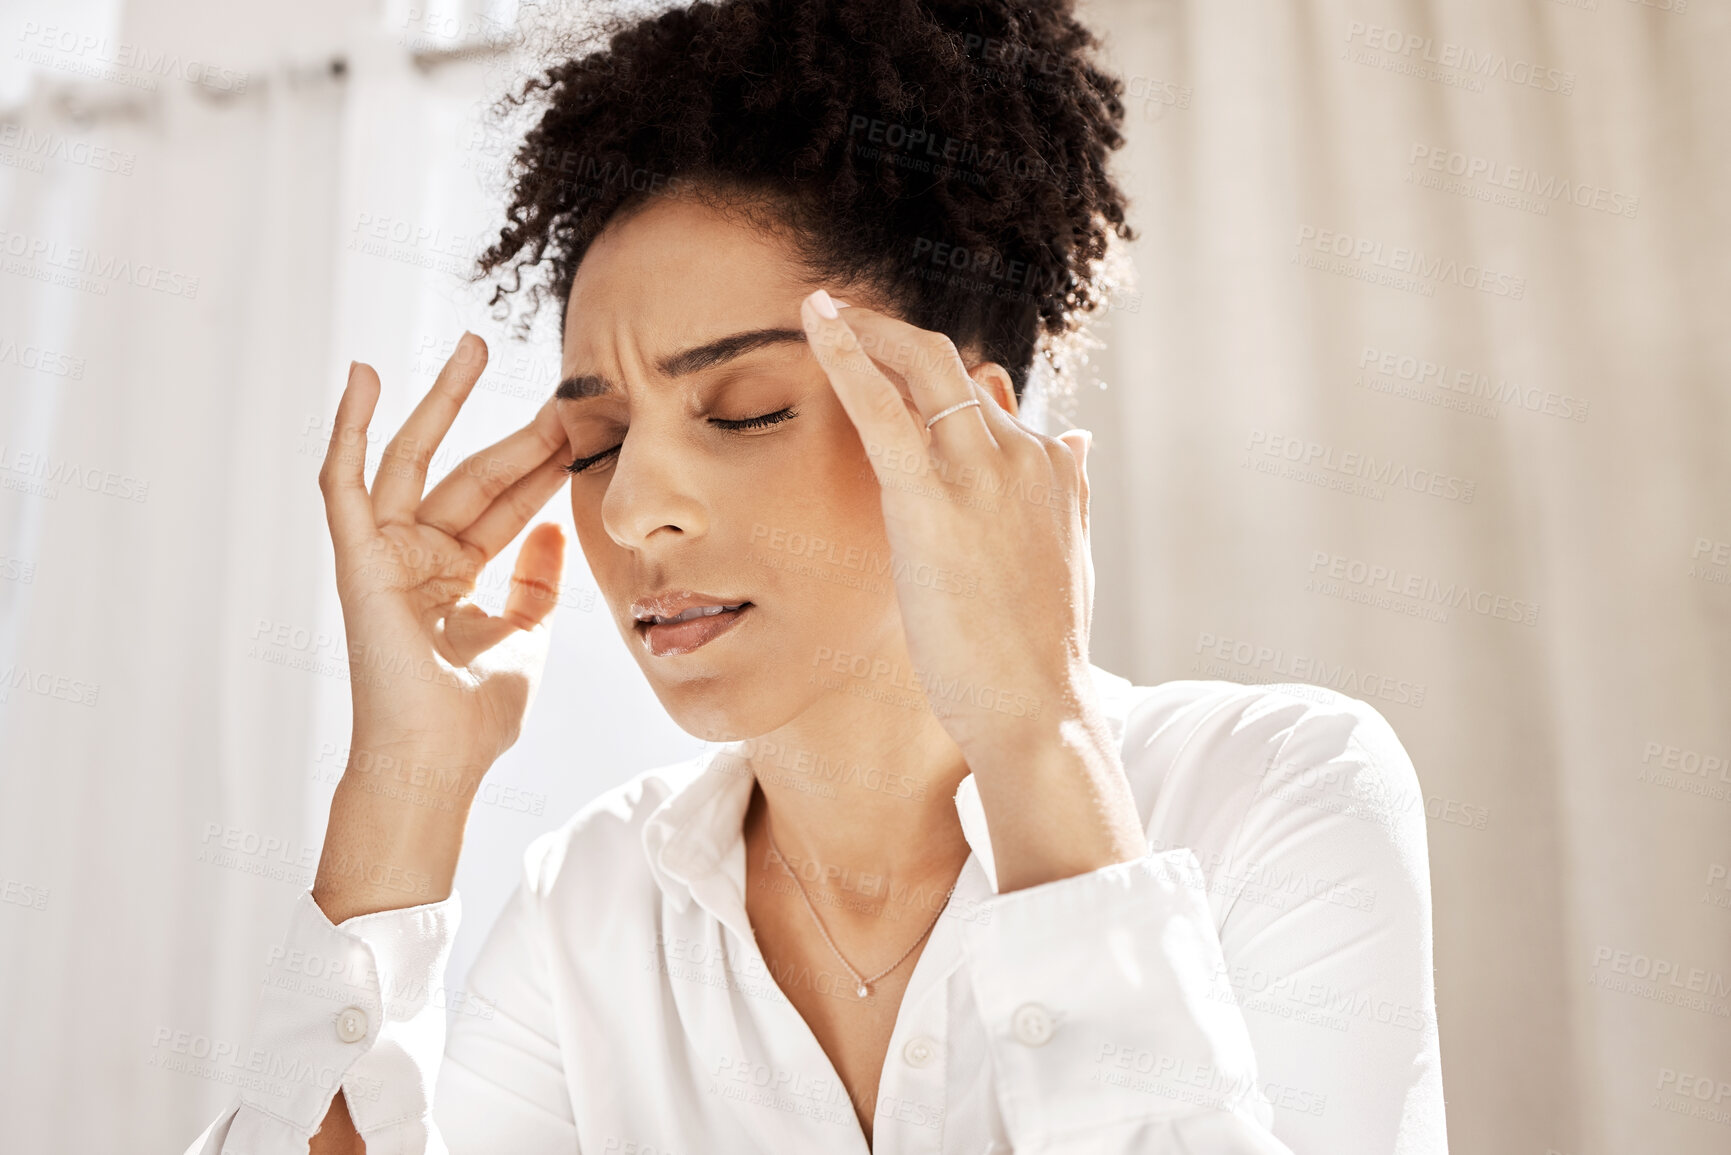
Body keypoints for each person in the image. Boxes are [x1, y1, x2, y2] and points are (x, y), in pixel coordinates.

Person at [188, 0, 1447, 1151]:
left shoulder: (1273, 793)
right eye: (601, 439)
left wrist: (1034, 730)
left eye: (740, 410)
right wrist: (403, 785)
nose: (631, 510)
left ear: (960, 422)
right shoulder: (593, 908)